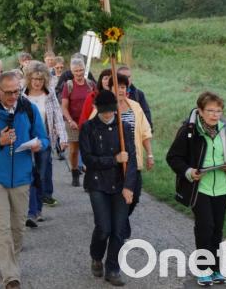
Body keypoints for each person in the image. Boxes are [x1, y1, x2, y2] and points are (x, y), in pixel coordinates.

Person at [0, 72, 48, 289]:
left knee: (17, 229)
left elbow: (44, 137)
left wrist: (39, 144)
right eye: (10, 92)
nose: (14, 96)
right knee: (1, 229)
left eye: (17, 91)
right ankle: (11, 275)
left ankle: (9, 263)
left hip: (22, 178)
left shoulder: (28, 109)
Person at [166, 92, 226, 286]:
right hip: (200, 188)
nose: (215, 115)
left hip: (222, 188)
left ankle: (215, 269)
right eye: (210, 110)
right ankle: (202, 269)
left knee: (217, 229)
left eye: (218, 111)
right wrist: (189, 171)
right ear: (200, 111)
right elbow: (173, 157)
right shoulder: (189, 131)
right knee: (205, 227)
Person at [80, 90, 137, 287]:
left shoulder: (124, 127)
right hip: (97, 183)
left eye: (111, 110)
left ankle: (113, 268)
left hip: (120, 185)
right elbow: (88, 159)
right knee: (104, 227)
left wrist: (130, 186)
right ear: (97, 108)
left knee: (119, 229)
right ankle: (96, 256)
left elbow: (131, 160)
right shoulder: (88, 128)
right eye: (104, 111)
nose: (107, 114)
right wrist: (113, 159)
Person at [88, 74, 154, 241]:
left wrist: (150, 154)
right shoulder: (102, 109)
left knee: (134, 197)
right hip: (110, 165)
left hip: (133, 162)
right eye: (117, 87)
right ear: (110, 89)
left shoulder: (136, 107)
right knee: (116, 201)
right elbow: (91, 134)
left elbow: (145, 132)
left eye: (123, 87)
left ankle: (120, 220)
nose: (121, 90)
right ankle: (115, 225)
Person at [22, 61, 67, 225]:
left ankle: (38, 209)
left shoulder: (50, 94)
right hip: (25, 140)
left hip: (44, 140)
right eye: (34, 78)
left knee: (40, 175)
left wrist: (63, 138)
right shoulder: (22, 95)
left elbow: (57, 117)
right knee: (28, 174)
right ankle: (31, 212)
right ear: (28, 78)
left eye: (40, 79)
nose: (37, 82)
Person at [61, 56, 96, 187]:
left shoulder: (90, 84)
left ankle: (89, 178)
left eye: (81, 70)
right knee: (74, 150)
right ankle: (75, 173)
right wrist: (70, 121)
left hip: (88, 123)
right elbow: (64, 107)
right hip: (73, 123)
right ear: (72, 71)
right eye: (76, 71)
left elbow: (95, 103)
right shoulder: (68, 85)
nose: (79, 73)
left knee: (88, 150)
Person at [117, 65, 153, 131]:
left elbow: (146, 115)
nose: (127, 79)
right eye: (124, 77)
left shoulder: (138, 94)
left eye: (129, 77)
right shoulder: (111, 94)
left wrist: (148, 132)